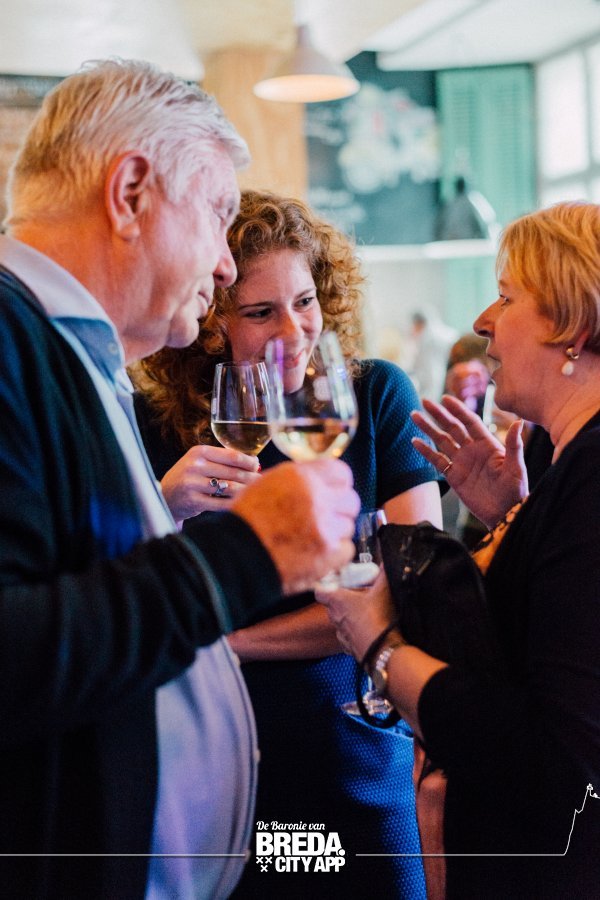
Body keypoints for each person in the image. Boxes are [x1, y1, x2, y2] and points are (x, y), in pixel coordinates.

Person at [0, 60, 361, 900]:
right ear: (130, 193)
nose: (228, 267)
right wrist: (245, 554)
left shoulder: (79, 358)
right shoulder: (13, 344)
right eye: (217, 215)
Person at [134, 189, 443, 898]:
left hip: (351, 739)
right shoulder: (162, 426)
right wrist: (164, 503)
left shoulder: (374, 396)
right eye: (260, 312)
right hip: (220, 749)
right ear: (215, 322)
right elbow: (120, 584)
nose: (293, 331)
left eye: (304, 302)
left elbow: (411, 588)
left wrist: (230, 643)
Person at [317, 201, 600, 899]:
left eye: (506, 297)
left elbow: (547, 755)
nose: (482, 321)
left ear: (573, 328)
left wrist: (380, 645)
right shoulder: (565, 464)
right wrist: (513, 516)